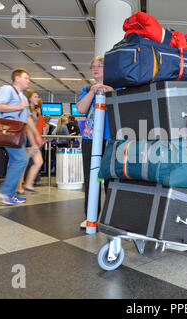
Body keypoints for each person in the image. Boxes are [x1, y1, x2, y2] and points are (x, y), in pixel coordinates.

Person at [0, 68, 44, 206]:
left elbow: (28, 118)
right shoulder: (7, 89)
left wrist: (37, 135)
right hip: (9, 130)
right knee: (21, 159)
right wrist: (17, 107)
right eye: (26, 78)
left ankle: (11, 194)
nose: (28, 80)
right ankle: (5, 191)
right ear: (17, 79)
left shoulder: (22, 97)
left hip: (19, 132)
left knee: (16, 161)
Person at [76, 56, 114, 229]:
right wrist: (92, 92)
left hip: (111, 138)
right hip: (90, 139)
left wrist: (111, 91)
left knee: (110, 179)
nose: (96, 69)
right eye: (93, 66)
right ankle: (91, 216)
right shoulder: (86, 89)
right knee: (91, 178)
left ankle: (110, 217)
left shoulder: (116, 88)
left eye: (100, 66)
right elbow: (81, 109)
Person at [16, 89, 45, 194]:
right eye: (35, 96)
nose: (38, 98)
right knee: (23, 164)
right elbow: (27, 128)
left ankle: (28, 184)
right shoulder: (27, 109)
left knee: (39, 161)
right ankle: (19, 187)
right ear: (29, 98)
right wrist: (34, 143)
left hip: (28, 140)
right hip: (23, 140)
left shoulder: (33, 110)